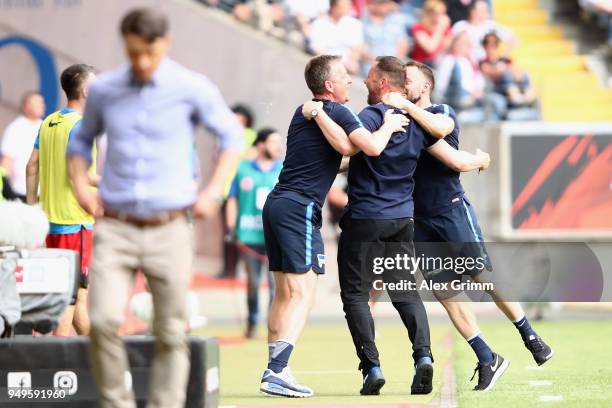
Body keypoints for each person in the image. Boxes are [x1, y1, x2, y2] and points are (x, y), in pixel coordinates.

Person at [66, 8, 243, 408]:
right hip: (115, 226)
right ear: (124, 45)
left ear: (165, 43)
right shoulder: (107, 90)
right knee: (104, 323)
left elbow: (232, 138)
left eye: (149, 52)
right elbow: (80, 143)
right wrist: (80, 185)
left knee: (170, 332)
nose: (142, 62)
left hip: (170, 227)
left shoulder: (191, 87)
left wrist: (214, 193)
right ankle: (118, 403)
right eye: (133, 53)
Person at [302, 56, 490, 396]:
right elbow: (451, 155)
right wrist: (479, 159)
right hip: (402, 221)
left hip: (363, 219)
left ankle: (372, 367)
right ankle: (424, 358)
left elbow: (349, 151)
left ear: (385, 83)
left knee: (355, 296)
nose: (365, 82)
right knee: (405, 291)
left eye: (371, 78)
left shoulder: (370, 117)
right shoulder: (420, 124)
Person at [384, 60, 554, 391]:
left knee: (482, 275)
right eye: (400, 80)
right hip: (418, 219)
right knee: (445, 291)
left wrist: (404, 105)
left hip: (450, 211)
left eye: (409, 80)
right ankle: (486, 356)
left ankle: (529, 336)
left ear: (425, 87)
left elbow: (442, 130)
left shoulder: (440, 110)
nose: (402, 84)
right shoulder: (397, 121)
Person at [259, 54, 409, 398]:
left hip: (279, 204)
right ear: (329, 85)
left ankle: (276, 368)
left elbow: (336, 156)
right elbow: (366, 147)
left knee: (284, 293)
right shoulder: (337, 111)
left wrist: (348, 160)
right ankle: (276, 371)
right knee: (303, 293)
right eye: (344, 76)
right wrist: (388, 126)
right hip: (300, 208)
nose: (350, 82)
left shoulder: (304, 112)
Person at [25, 64, 97, 337]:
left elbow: (32, 167)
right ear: (87, 91)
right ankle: (50, 358)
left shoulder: (49, 122)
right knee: (71, 299)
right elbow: (79, 174)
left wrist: (33, 212)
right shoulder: (80, 126)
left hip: (50, 223)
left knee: (76, 297)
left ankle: (102, 361)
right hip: (75, 222)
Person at [226, 128, 282, 338]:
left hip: (275, 237)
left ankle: (273, 326)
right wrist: (231, 227)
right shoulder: (242, 170)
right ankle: (251, 323)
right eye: (273, 142)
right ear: (260, 145)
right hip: (249, 236)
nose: (278, 147)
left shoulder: (283, 169)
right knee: (253, 283)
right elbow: (233, 198)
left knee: (275, 286)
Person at [0, 91, 45, 201]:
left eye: (42, 103)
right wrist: (6, 190)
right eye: (37, 103)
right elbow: (7, 162)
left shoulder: (45, 126)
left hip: (44, 194)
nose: (42, 106)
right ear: (26, 106)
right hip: (20, 192)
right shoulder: (15, 128)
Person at [309, 0, 364, 74]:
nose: (348, 8)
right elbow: (318, 50)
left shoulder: (355, 24)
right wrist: (334, 64)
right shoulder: (319, 23)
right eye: (344, 5)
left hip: (347, 67)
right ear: (334, 7)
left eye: (348, 5)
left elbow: (357, 47)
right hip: (326, 65)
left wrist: (352, 61)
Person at [360, 0, 411, 76]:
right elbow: (360, 49)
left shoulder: (396, 20)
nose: (385, 6)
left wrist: (394, 63)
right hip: (369, 66)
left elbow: (403, 43)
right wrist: (380, 62)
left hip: (393, 67)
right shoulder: (364, 22)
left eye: (386, 3)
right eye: (381, 3)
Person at [409, 0, 453, 67]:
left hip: (439, 63)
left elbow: (449, 47)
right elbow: (430, 48)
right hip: (422, 64)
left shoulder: (445, 28)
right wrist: (440, 28)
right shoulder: (419, 27)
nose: (441, 16)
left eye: (443, 13)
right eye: (438, 13)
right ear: (429, 13)